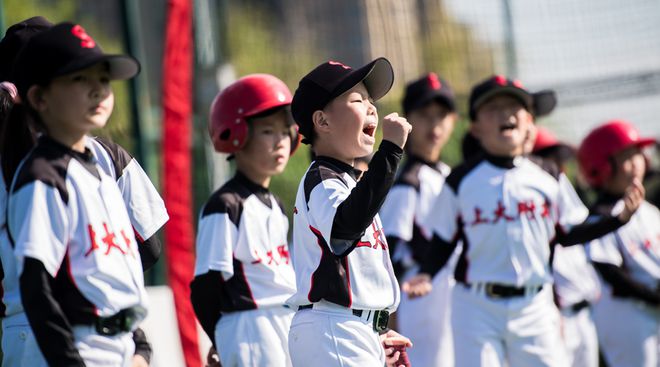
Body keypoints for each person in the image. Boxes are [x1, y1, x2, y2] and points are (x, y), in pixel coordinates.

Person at [403, 75, 643, 367]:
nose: (506, 114)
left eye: (515, 107)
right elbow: (443, 238)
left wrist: (618, 219)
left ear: (529, 121)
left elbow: (570, 232)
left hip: (535, 305)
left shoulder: (550, 175)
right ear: (476, 127)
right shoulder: (459, 181)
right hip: (476, 306)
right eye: (494, 108)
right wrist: (427, 273)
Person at [0, 17, 167, 367]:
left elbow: (118, 266)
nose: (98, 90)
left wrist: (138, 345)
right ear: (38, 97)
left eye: (103, 79)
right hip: (62, 342)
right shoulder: (44, 174)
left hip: (107, 340)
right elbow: (37, 285)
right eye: (79, 78)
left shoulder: (97, 165)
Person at [286, 58, 413, 367]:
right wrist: (391, 151)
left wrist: (373, 330)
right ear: (323, 122)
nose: (371, 108)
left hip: (349, 330)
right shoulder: (322, 177)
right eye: (357, 100)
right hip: (333, 329)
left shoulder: (346, 181)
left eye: (371, 101)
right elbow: (344, 232)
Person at [190, 73, 299, 366]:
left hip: (284, 321)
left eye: (285, 130)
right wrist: (220, 338)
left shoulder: (275, 204)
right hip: (249, 327)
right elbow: (205, 285)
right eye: (267, 131)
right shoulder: (225, 205)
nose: (281, 141)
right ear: (235, 134)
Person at [379, 72, 458, 367]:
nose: (434, 124)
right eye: (424, 115)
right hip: (419, 296)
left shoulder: (448, 174)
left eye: (442, 115)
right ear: (408, 120)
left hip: (449, 289)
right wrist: (389, 316)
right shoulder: (408, 182)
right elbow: (391, 252)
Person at [577, 120, 660, 367]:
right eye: (626, 156)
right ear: (600, 166)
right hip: (628, 315)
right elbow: (611, 274)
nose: (637, 163)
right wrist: (654, 296)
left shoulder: (649, 211)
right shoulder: (600, 218)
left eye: (638, 154)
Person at [532, 126, 601, 367]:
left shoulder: (562, 192)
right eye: (549, 157)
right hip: (556, 315)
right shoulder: (531, 197)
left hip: (585, 313)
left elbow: (581, 227)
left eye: (559, 159)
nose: (559, 166)